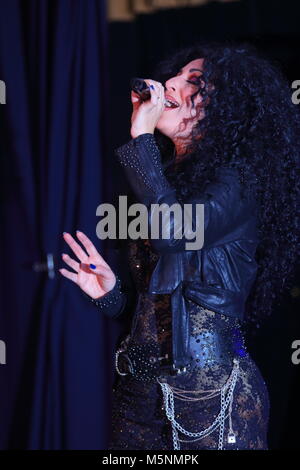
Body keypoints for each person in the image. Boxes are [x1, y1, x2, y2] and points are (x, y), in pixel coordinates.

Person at [59, 42, 299, 450]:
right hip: (140, 398)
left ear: (227, 109)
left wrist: (140, 136)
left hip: (211, 398)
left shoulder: (238, 181)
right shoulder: (164, 182)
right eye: (177, 74)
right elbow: (159, 310)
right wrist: (111, 294)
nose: (169, 82)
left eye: (195, 82)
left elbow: (176, 233)